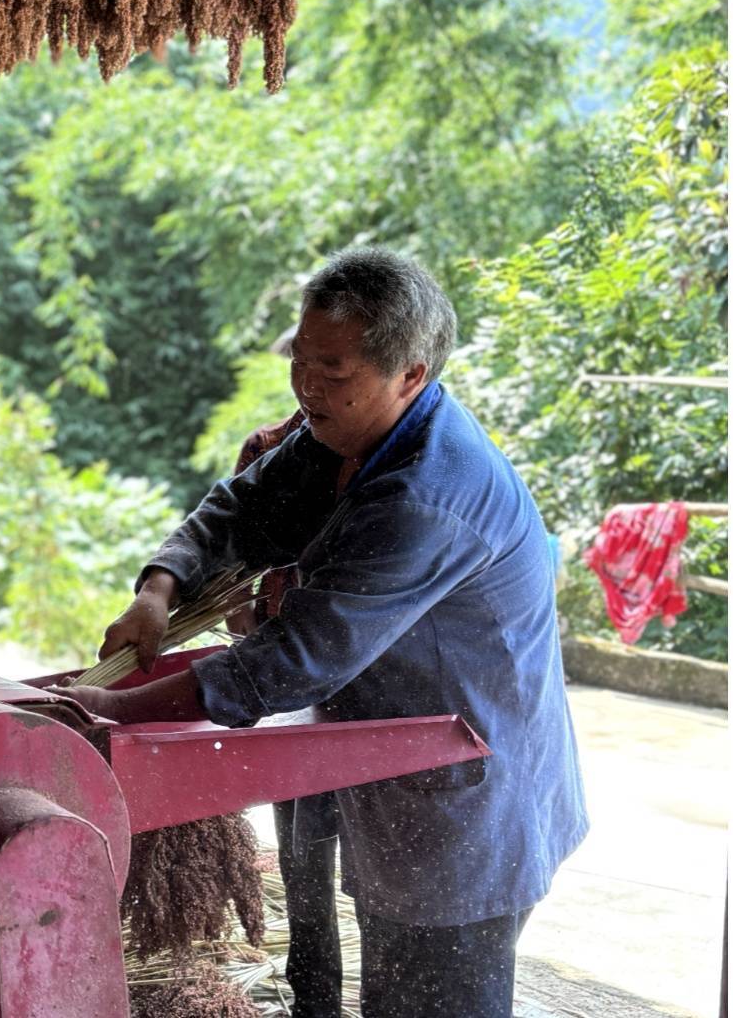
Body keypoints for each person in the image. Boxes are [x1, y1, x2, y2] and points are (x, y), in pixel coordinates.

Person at [57, 247, 588, 1018]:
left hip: (472, 805)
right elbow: (240, 508)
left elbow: (293, 661)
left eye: (332, 370)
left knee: (427, 1000)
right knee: (394, 993)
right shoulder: (344, 433)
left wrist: (113, 712)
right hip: (405, 782)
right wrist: (158, 589)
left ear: (410, 373)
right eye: (300, 361)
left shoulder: (425, 495)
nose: (306, 386)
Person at [226, 364, 343, 1018]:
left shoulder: (388, 460)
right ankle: (315, 993)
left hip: (355, 676)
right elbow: (233, 557)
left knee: (365, 854)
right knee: (303, 847)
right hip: (288, 677)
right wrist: (247, 623)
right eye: (306, 366)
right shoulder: (270, 449)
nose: (314, 386)